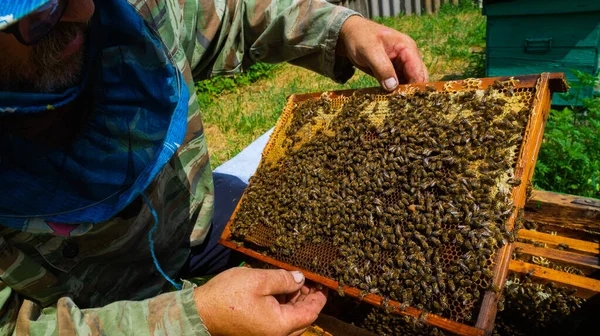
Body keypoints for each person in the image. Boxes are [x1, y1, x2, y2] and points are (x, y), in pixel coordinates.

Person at [0, 0, 427, 334]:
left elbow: (236, 15)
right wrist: (192, 318)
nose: (85, 9)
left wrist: (341, 29)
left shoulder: (131, 9)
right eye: (42, 9)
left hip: (189, 220)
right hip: (92, 301)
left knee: (296, 218)